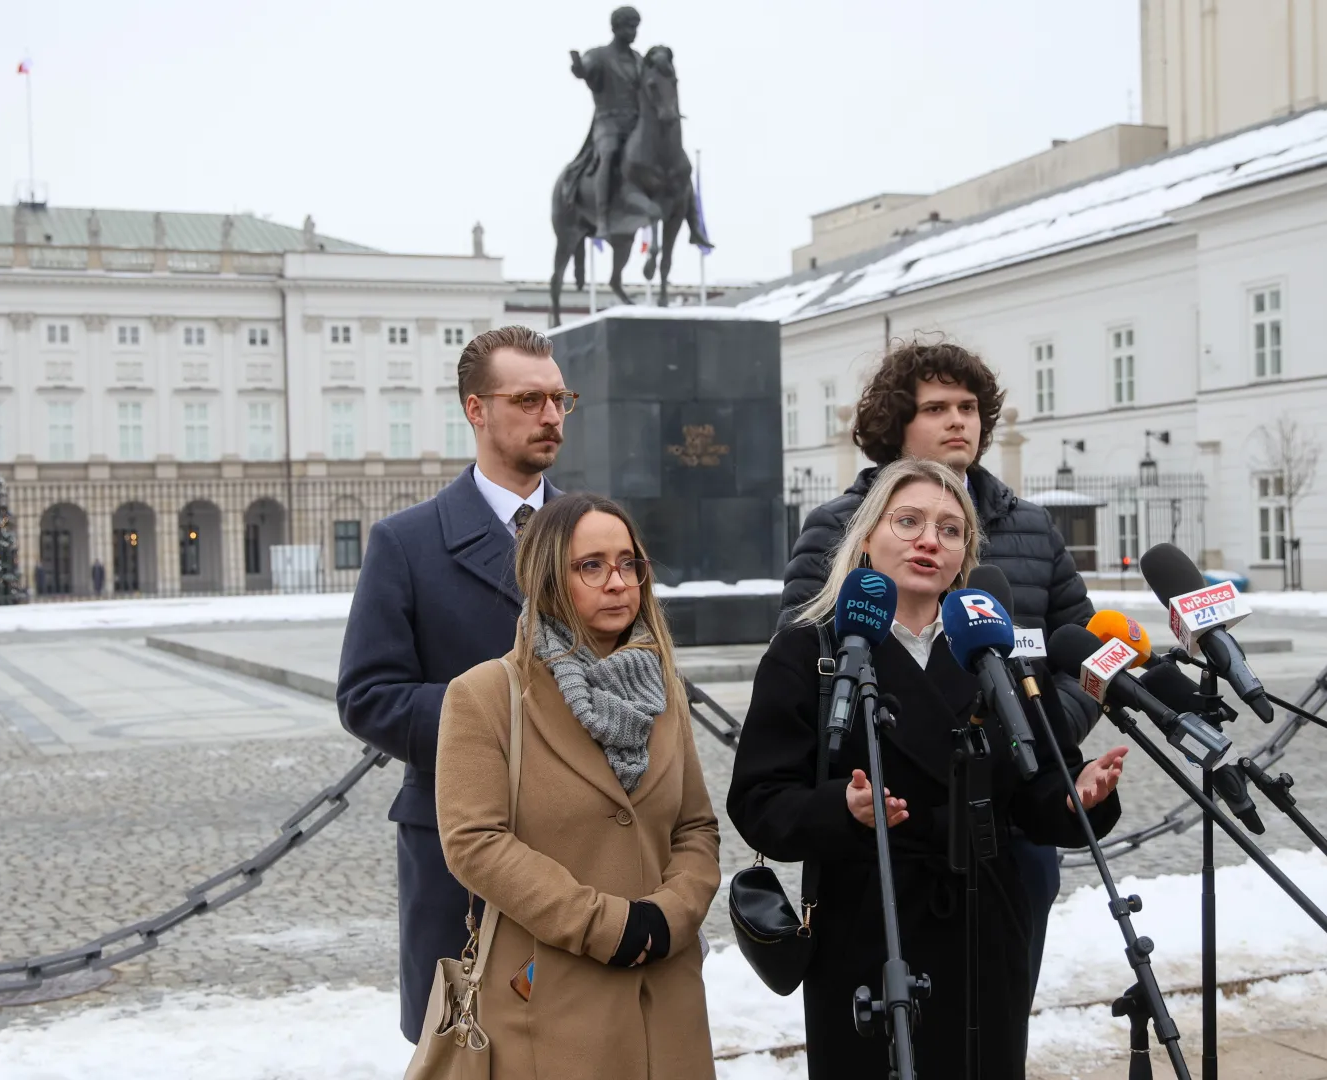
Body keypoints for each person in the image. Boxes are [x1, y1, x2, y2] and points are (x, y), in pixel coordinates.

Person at [730, 458, 1126, 1078]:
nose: (928, 541)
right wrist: (842, 808)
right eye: (908, 521)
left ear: (964, 554)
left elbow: (1038, 784)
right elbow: (759, 799)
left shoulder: (994, 648)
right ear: (867, 538)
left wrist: (1079, 796)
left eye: (949, 530)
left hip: (984, 926)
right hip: (867, 927)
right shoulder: (811, 649)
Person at [774, 336, 1095, 995]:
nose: (959, 421)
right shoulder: (839, 526)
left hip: (1011, 822)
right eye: (938, 407)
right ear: (896, 424)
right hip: (882, 830)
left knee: (995, 1011)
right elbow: (802, 669)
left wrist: (1032, 733)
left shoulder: (1032, 528)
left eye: (970, 407)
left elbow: (1086, 652)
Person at [336, 325, 576, 1041]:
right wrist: (499, 716)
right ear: (476, 410)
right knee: (466, 1047)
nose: (551, 415)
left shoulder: (594, 533)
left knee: (582, 1039)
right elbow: (367, 696)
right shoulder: (406, 543)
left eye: (561, 398)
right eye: (529, 398)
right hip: (460, 847)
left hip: (585, 845)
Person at [437, 493, 720, 1079]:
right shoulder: (485, 695)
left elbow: (695, 826)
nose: (617, 582)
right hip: (548, 999)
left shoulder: (662, 688)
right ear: (547, 580)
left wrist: (673, 913)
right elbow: (475, 841)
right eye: (591, 566)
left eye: (629, 564)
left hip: (666, 998)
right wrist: (604, 925)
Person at [570, 6, 643, 231]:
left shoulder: (639, 59)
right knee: (609, 153)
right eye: (629, 26)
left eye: (635, 27)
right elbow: (586, 69)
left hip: (636, 124)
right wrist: (580, 68)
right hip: (608, 122)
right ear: (617, 27)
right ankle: (602, 217)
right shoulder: (599, 55)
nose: (633, 32)